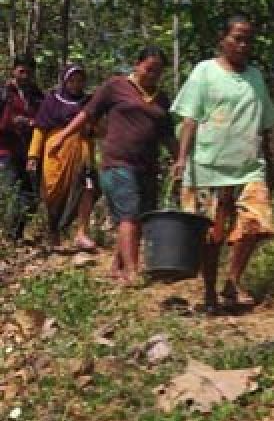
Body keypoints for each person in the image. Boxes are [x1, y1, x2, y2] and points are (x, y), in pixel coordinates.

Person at [172, 15, 274, 315]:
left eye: (248, 40)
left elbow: (265, 125)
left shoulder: (255, 77)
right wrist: (181, 159)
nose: (243, 45)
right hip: (208, 165)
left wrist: (271, 163)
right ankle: (209, 291)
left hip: (248, 166)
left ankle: (232, 281)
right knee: (211, 235)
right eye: (237, 38)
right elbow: (190, 118)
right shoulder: (204, 72)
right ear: (223, 39)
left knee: (255, 222)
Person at [52, 46, 178, 283]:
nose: (153, 75)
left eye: (158, 72)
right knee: (128, 214)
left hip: (148, 166)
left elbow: (168, 135)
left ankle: (118, 266)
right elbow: (88, 114)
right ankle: (132, 271)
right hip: (118, 163)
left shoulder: (161, 99)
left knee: (140, 216)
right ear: (137, 65)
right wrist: (63, 136)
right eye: (149, 69)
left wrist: (180, 160)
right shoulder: (115, 86)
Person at [27, 64, 98, 251]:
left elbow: (101, 128)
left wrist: (92, 128)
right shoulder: (52, 101)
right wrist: (33, 155)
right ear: (65, 81)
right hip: (56, 151)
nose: (76, 84)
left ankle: (82, 232)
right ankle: (54, 233)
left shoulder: (90, 102)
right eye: (72, 80)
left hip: (82, 150)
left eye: (80, 80)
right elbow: (40, 129)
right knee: (53, 192)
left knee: (87, 187)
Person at [0, 55, 44, 243]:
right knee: (12, 194)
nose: (25, 75)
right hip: (5, 151)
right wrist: (11, 123)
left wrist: (32, 123)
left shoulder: (36, 95)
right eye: (21, 70)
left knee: (31, 197)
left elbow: (44, 118)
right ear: (14, 70)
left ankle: (17, 233)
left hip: (29, 153)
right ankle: (10, 237)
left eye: (29, 71)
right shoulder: (3, 92)